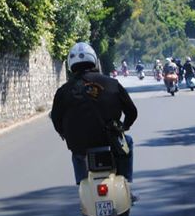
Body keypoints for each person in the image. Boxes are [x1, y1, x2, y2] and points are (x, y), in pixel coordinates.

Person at [51, 42, 138, 185]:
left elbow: (56, 119)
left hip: (80, 144)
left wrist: (65, 133)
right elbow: (132, 111)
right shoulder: (112, 83)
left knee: (77, 155)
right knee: (127, 142)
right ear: (94, 60)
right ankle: (125, 181)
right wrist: (124, 126)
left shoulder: (63, 92)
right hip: (110, 140)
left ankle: (82, 183)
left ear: (70, 64)